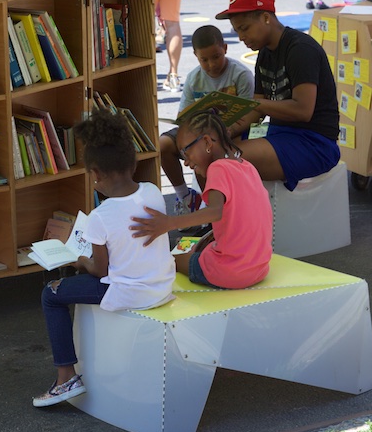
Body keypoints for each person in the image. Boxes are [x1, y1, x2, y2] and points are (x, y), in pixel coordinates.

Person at [33, 109, 175, 407]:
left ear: (95, 174)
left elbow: (100, 270)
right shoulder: (152, 192)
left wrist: (77, 259)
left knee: (51, 293)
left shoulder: (101, 216)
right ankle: (67, 376)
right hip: (161, 285)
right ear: (133, 162)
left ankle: (66, 376)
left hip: (127, 291)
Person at [214, 0, 340, 191]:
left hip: (315, 143)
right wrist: (225, 130)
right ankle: (209, 213)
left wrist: (259, 105)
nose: (240, 37)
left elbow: (303, 110)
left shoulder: (300, 49)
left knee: (224, 160)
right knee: (208, 149)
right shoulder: (264, 53)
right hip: (279, 133)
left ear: (265, 18)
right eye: (237, 30)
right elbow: (254, 112)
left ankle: (231, 218)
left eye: (244, 28)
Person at [131, 110, 273, 290]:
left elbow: (214, 211)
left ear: (207, 142)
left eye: (186, 152)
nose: (185, 161)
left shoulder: (218, 168)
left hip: (230, 273)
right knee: (196, 247)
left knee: (171, 257)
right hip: (259, 268)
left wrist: (169, 223)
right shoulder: (247, 167)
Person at [161, 25, 254, 217]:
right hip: (197, 132)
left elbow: (249, 114)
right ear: (195, 55)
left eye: (216, 56)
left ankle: (211, 209)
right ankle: (186, 198)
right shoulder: (194, 78)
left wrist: (227, 130)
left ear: (225, 49)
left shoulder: (241, 75)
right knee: (162, 145)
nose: (211, 64)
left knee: (202, 151)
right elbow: (184, 118)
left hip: (232, 131)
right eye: (204, 60)